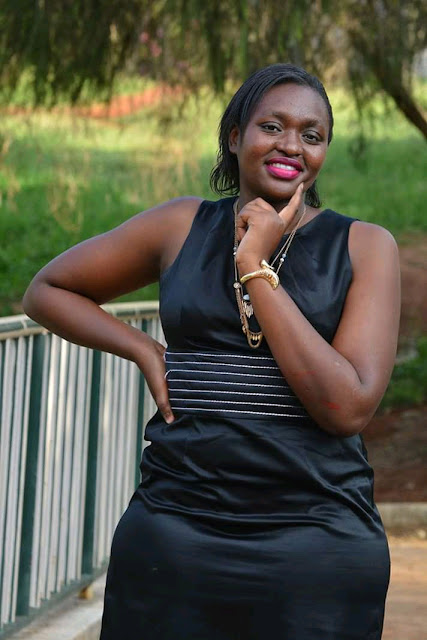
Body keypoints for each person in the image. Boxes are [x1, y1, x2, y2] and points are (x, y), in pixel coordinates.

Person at [23, 63, 400, 639]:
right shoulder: (180, 225)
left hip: (315, 545)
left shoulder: (365, 247)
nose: (291, 146)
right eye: (272, 126)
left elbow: (346, 408)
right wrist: (145, 350)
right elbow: (47, 290)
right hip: (174, 535)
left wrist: (254, 266)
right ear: (234, 136)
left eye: (312, 135)